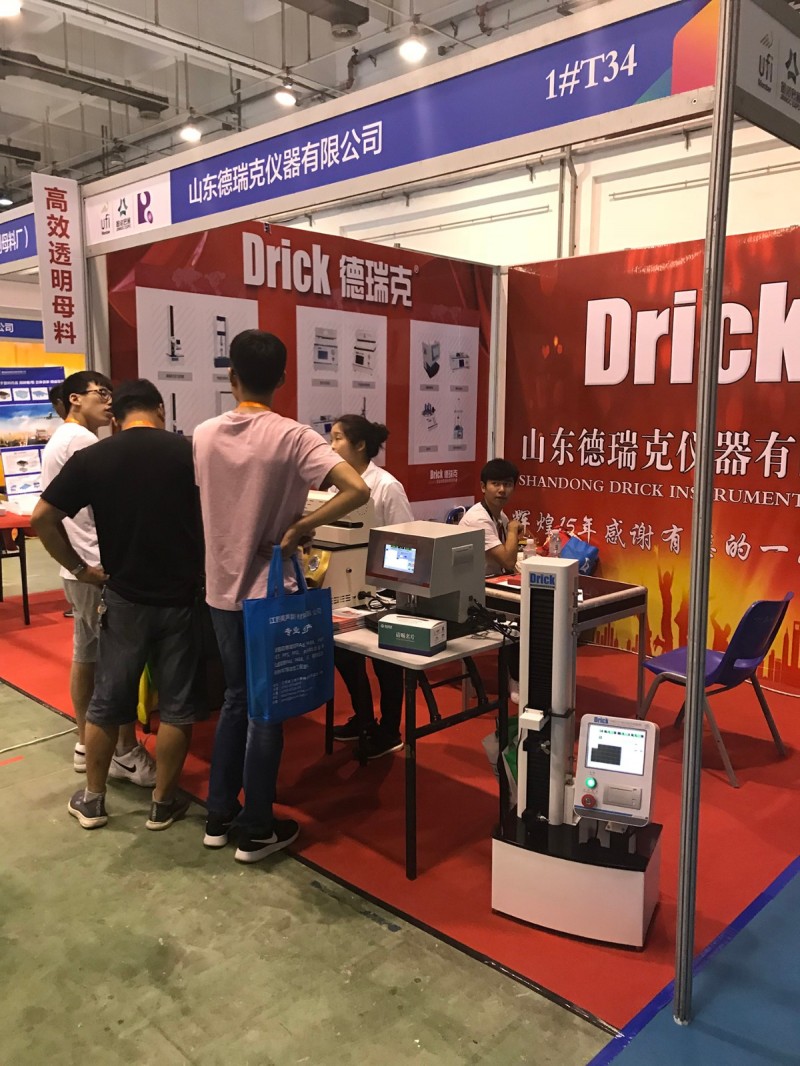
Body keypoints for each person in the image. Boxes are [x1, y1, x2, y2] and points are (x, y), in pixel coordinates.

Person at [193, 330, 369, 864]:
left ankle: (219, 816)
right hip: (271, 594)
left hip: (220, 592)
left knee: (236, 699)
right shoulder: (293, 437)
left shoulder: (203, 434)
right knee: (266, 711)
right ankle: (256, 828)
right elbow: (357, 489)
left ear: (231, 376)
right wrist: (300, 528)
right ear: (283, 378)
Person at [32, 379, 204, 832]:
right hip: (181, 598)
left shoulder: (95, 457)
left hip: (124, 597)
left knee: (108, 702)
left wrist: (80, 568)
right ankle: (163, 804)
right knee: (177, 707)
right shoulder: (190, 452)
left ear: (116, 416)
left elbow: (42, 517)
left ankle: (93, 801)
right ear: (160, 409)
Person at [40, 370, 155, 786]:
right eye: (101, 393)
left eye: (111, 393)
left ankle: (85, 742)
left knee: (87, 655)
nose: (109, 402)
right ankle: (123, 750)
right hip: (95, 566)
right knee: (115, 664)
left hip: (79, 567)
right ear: (75, 399)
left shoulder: (62, 439)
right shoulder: (83, 442)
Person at [329, 414, 414, 758]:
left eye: (337, 438)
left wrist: (391, 589)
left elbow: (407, 541)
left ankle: (390, 730)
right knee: (344, 656)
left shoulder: (386, 486)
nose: (331, 446)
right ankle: (363, 719)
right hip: (344, 588)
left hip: (383, 591)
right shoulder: (335, 487)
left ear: (360, 444)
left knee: (385, 664)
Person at [458, 458, 522, 576]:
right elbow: (508, 562)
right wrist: (512, 529)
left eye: (507, 484)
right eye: (495, 484)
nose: (502, 490)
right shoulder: (478, 519)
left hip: (492, 579)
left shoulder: (501, 516)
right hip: (474, 584)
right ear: (483, 487)